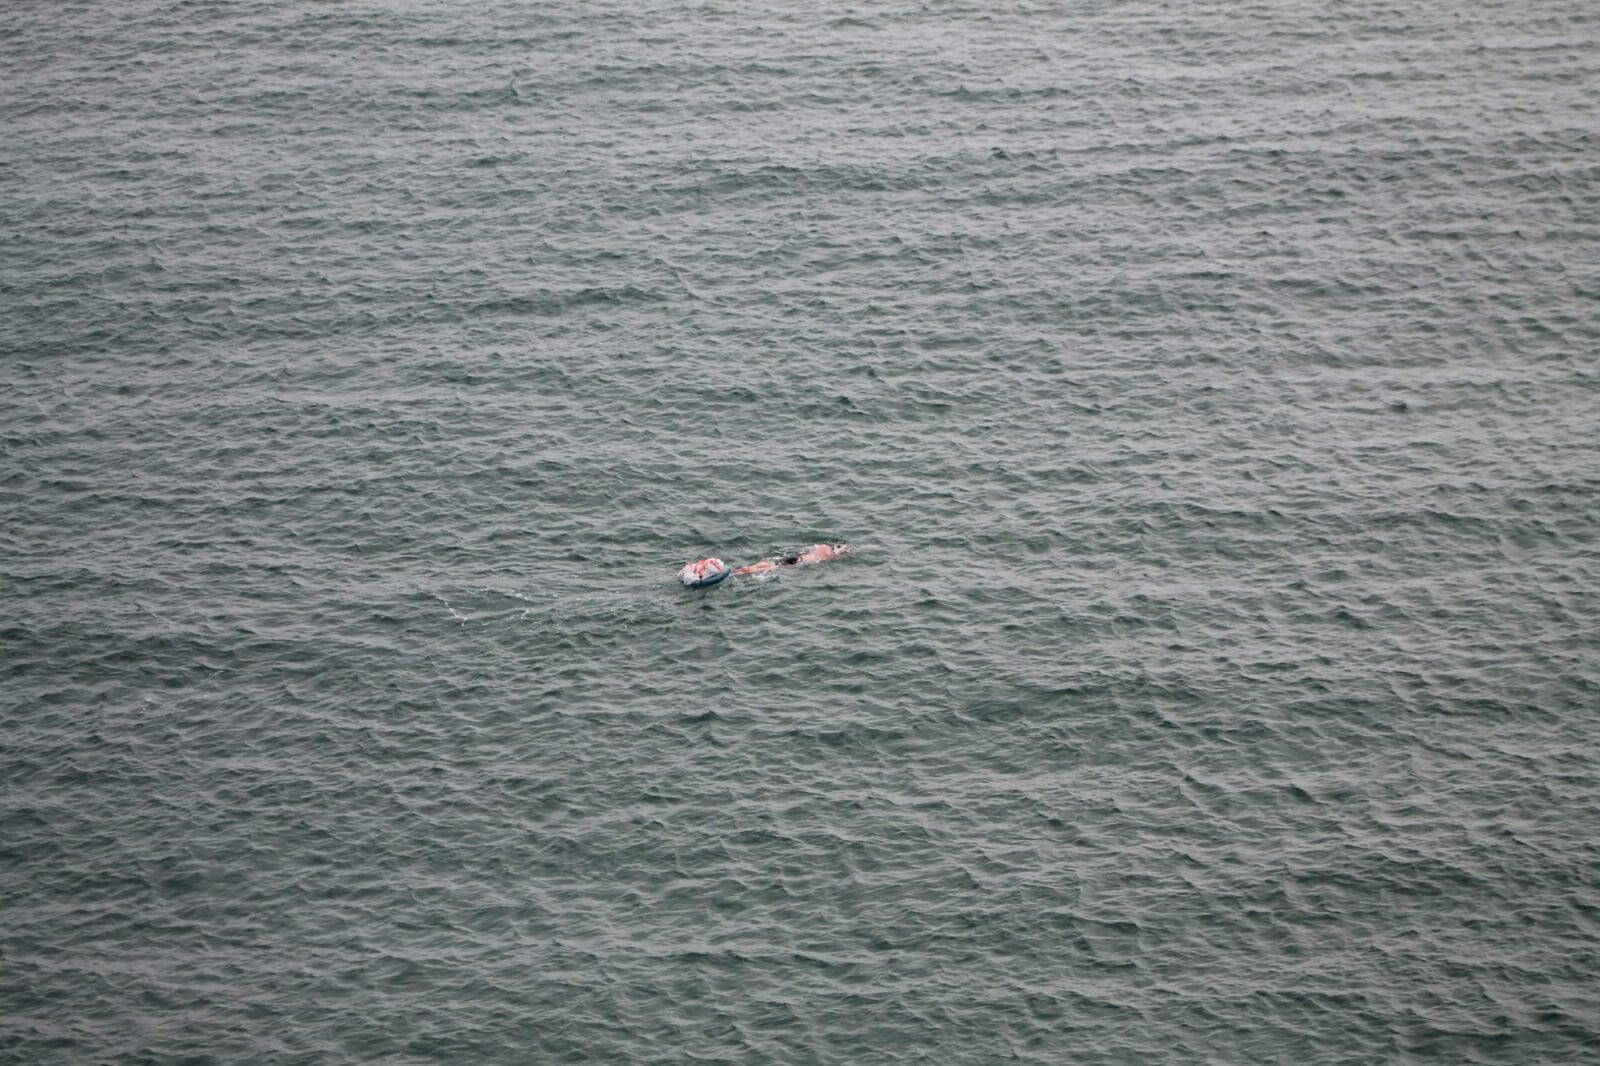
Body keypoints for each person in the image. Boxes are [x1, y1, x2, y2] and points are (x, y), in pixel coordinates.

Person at [734, 543, 848, 575]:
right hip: (799, 562)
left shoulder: (823, 546)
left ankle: (748, 567)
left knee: (772, 563)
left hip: (797, 557)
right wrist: (838, 554)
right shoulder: (829, 555)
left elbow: (813, 547)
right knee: (773, 566)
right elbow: (827, 559)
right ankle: (749, 570)